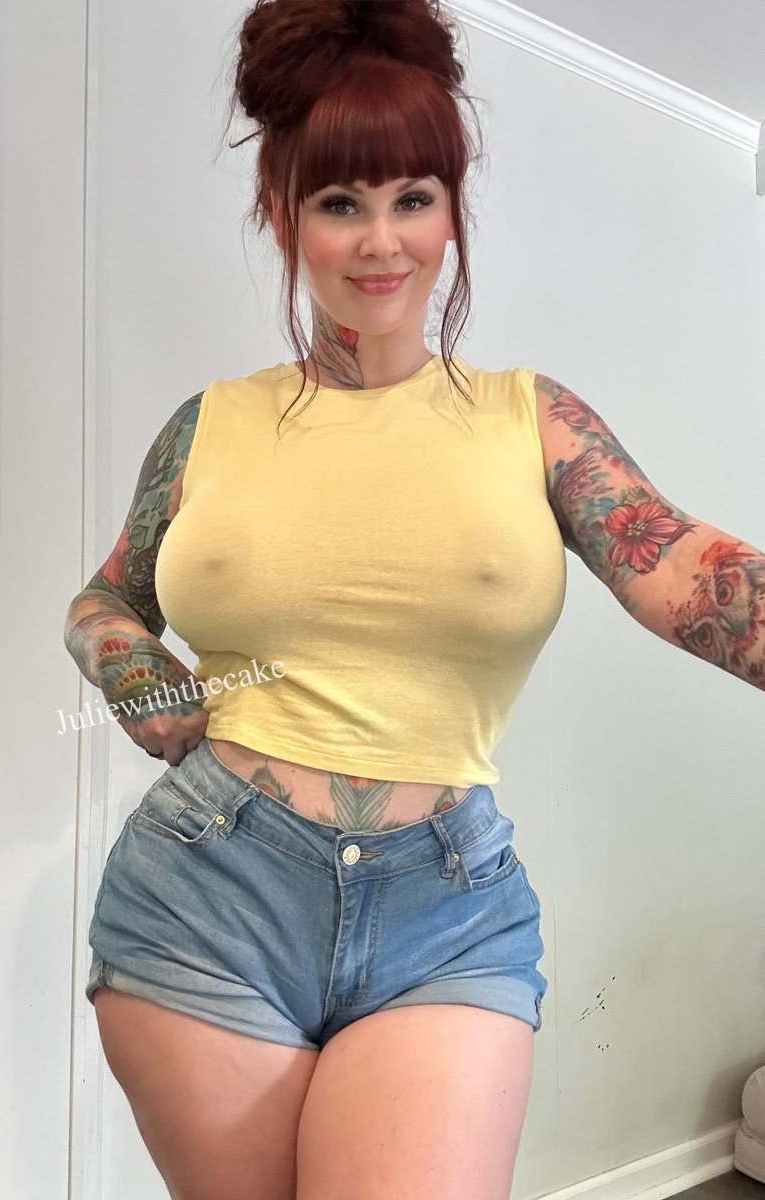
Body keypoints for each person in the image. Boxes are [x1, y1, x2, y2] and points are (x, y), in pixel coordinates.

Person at [63, 1, 764, 1197]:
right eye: (341, 203)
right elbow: (105, 597)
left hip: (446, 908)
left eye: (414, 198)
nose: (382, 241)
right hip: (206, 886)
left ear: (451, 210)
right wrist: (130, 668)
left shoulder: (532, 419)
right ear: (282, 214)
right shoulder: (206, 426)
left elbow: (690, 570)